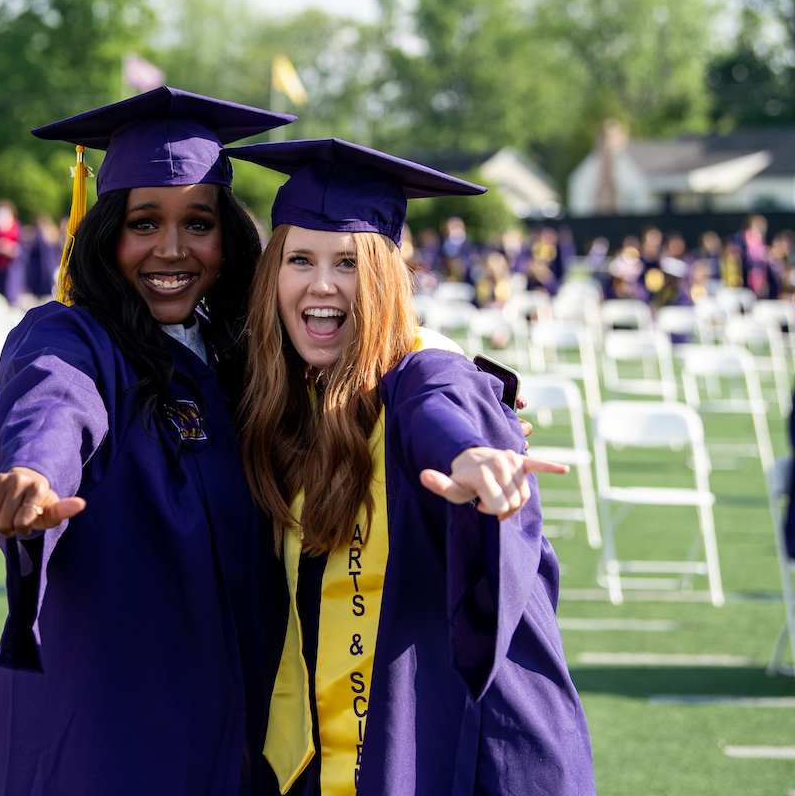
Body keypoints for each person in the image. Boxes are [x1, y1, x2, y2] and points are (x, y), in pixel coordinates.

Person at [224, 138, 595, 795]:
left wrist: (471, 456)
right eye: (300, 259)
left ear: (385, 278)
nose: (322, 284)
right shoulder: (288, 399)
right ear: (271, 274)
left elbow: (440, 408)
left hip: (477, 746)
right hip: (362, 743)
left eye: (348, 263)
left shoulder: (426, 367)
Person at [0, 87, 296, 795]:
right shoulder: (74, 337)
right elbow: (53, 400)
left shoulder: (248, 361)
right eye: (145, 223)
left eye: (197, 223)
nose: (171, 249)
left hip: (246, 722)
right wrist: (33, 474)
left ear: (227, 239)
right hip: (113, 729)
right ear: (107, 232)